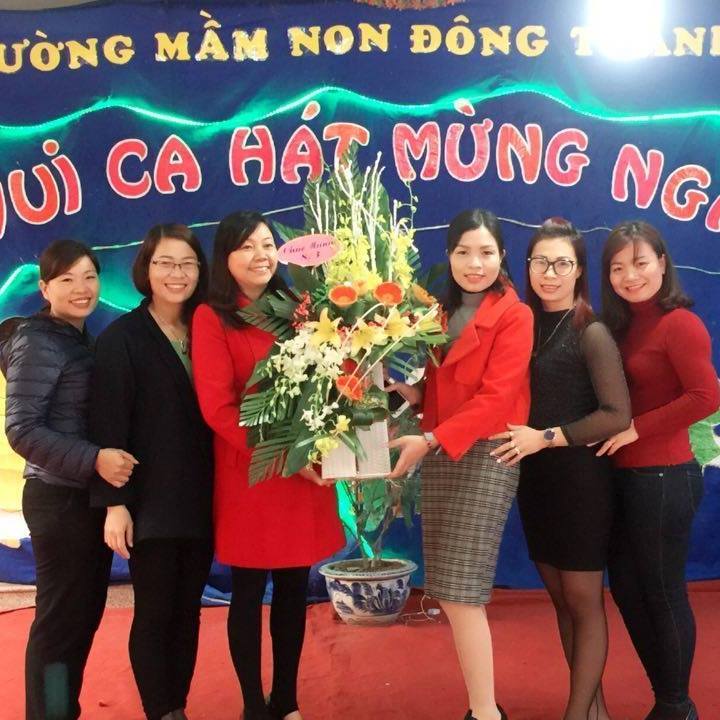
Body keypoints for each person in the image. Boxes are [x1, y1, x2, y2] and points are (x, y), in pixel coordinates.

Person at [191, 211, 344, 720]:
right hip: (251, 474)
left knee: (295, 590)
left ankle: (286, 701)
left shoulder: (300, 308)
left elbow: (329, 381)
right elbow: (217, 408)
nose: (260, 255)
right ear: (225, 258)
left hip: (303, 475)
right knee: (249, 591)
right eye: (246, 247)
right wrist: (281, 455)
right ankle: (253, 706)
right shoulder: (212, 317)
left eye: (266, 244)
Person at [387, 209, 533, 720]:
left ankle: (486, 712)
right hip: (442, 451)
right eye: (463, 252)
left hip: (487, 453)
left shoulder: (515, 315)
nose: (475, 264)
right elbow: (442, 383)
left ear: (502, 256)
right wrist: (412, 395)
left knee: (464, 592)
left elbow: (496, 398)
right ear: (448, 256)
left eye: (486, 253)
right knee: (450, 591)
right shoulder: (439, 311)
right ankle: (483, 708)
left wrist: (430, 438)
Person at [489, 218, 631, 720]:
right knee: (561, 601)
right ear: (527, 266)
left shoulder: (590, 331)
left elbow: (617, 414)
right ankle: (595, 711)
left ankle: (576, 714)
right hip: (536, 482)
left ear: (579, 270)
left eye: (562, 263)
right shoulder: (522, 324)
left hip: (582, 482)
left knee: (583, 601)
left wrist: (547, 436)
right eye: (540, 262)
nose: (550, 273)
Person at [0, 240, 136, 720]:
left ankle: (61, 711)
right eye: (66, 279)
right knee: (61, 625)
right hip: (58, 501)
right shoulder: (37, 340)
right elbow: (22, 430)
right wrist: (94, 459)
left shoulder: (76, 337)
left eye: (89, 277)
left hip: (83, 499)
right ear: (44, 288)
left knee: (79, 620)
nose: (81, 288)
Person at [88, 224, 213, 720]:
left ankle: (177, 704)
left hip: (202, 496)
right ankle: (161, 711)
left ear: (200, 270)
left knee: (189, 611)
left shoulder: (207, 327)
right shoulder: (122, 338)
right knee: (156, 611)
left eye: (187, 263)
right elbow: (107, 425)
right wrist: (115, 504)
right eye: (165, 263)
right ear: (146, 268)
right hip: (149, 501)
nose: (176, 274)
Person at [597, 221, 719, 720]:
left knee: (663, 592)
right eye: (618, 267)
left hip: (665, 477)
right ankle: (667, 695)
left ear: (662, 263)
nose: (630, 276)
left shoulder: (679, 323)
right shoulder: (620, 327)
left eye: (640, 263)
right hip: (624, 478)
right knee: (627, 589)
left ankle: (676, 706)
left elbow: (707, 396)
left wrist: (636, 430)